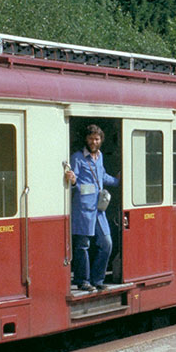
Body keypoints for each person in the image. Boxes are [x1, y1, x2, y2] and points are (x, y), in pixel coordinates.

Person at [64, 124, 119, 292]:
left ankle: (97, 279)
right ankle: (83, 281)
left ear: (101, 140)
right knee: (83, 245)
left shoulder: (99, 157)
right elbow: (74, 181)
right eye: (91, 139)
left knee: (107, 243)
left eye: (97, 139)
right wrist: (72, 180)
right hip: (83, 208)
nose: (94, 142)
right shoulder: (77, 158)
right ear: (86, 140)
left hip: (99, 210)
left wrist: (118, 181)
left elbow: (102, 176)